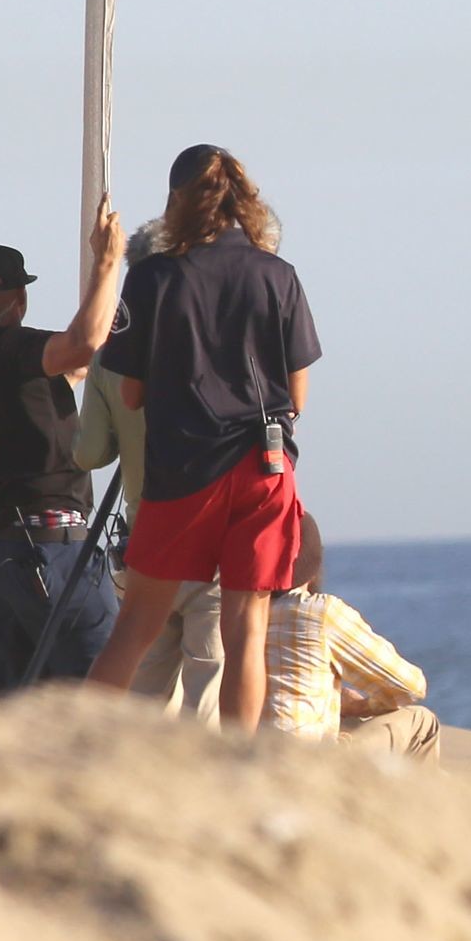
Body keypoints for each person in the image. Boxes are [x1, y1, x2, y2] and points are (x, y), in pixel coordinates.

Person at [85, 145, 322, 732]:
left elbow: (131, 394)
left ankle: (81, 743)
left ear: (177, 202)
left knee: (136, 624)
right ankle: (239, 764)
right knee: (247, 631)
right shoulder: (278, 275)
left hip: (185, 468)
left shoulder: (154, 278)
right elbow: (297, 396)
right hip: (264, 467)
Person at [0, 196, 125, 689]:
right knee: (99, 686)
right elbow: (82, 344)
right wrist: (107, 263)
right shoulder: (14, 347)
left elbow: (73, 364)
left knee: (17, 692)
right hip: (43, 547)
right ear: (20, 298)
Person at [265, 513, 441, 762]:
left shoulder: (238, 617)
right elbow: (410, 686)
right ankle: (422, 789)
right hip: (308, 763)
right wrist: (359, 705)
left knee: (342, 723)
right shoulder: (320, 612)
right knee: (422, 720)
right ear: (313, 564)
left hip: (251, 754)